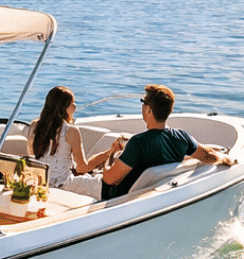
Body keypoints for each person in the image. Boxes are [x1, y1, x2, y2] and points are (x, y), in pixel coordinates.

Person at [101, 84, 236, 199]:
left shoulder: (138, 143)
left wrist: (111, 155)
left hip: (111, 194)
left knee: (79, 180)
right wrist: (223, 156)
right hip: (147, 192)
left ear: (148, 109)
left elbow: (108, 179)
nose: (142, 105)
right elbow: (209, 156)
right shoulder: (182, 138)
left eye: (143, 101)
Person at [27, 86, 124, 199]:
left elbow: (33, 156)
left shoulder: (34, 126)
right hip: (63, 186)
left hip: (38, 184)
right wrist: (111, 152)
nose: (74, 107)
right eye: (72, 103)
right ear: (65, 108)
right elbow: (82, 168)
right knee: (106, 186)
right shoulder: (70, 131)